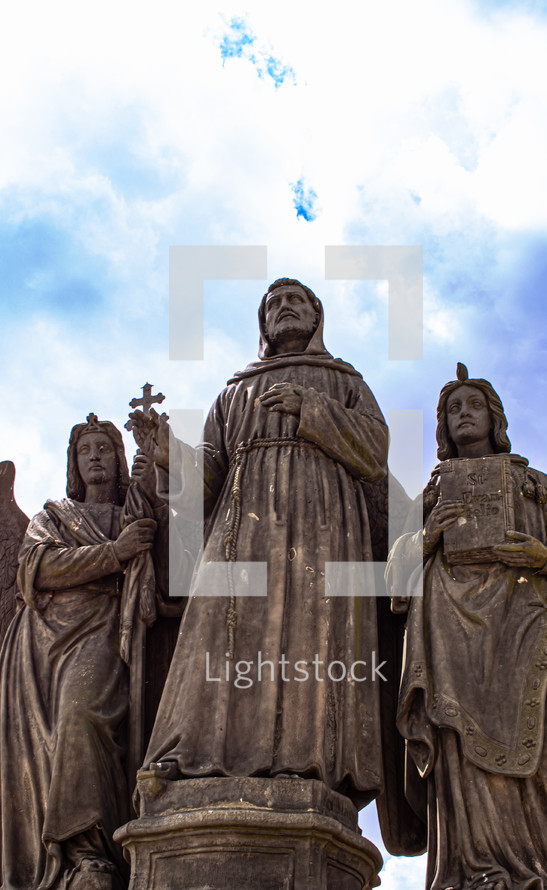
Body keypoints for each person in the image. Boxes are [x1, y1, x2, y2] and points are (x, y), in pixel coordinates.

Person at [128, 278, 389, 809]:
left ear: (317, 318)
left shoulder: (344, 381)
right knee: (215, 625)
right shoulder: (234, 391)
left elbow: (375, 450)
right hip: (241, 523)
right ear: (263, 324)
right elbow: (207, 478)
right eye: (274, 304)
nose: (285, 309)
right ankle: (190, 758)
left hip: (321, 520)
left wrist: (310, 408)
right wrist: (167, 456)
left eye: (296, 301)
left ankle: (303, 760)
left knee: (308, 632)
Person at [388, 364, 547, 890]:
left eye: (472, 405)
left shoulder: (535, 485)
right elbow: (394, 572)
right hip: (448, 630)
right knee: (459, 746)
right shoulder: (432, 494)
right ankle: (477, 869)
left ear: (494, 416)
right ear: (442, 427)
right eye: (452, 409)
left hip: (526, 620)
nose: (463, 416)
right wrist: (426, 538)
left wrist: (544, 555)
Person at [0, 415, 157, 890]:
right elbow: (37, 566)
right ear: (74, 461)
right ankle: (70, 862)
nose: (93, 457)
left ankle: (91, 851)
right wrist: (115, 553)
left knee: (81, 716)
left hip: (106, 628)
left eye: (103, 449)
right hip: (42, 641)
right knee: (46, 741)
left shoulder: (134, 510)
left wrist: (159, 465)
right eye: (85, 449)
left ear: (118, 459)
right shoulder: (54, 515)